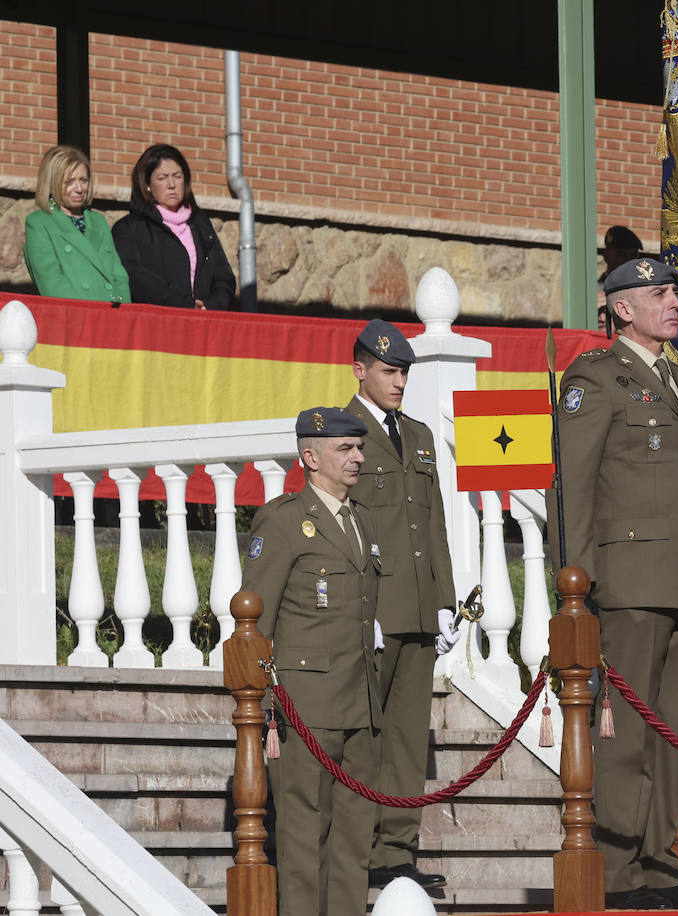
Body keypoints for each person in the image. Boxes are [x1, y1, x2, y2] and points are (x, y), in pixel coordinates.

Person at [548, 256, 678, 910]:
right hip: (627, 582)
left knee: (671, 738)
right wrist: (573, 595)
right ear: (621, 307)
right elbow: (572, 490)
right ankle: (617, 872)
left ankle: (657, 864)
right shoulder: (594, 379)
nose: (673, 302)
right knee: (625, 738)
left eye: (673, 292)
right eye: (658, 293)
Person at [243, 407, 383, 916]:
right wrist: (264, 707)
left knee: (353, 838)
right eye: (345, 449)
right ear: (311, 456)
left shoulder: (362, 519)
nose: (358, 457)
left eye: (359, 448)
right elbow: (254, 622)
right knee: (303, 837)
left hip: (360, 704)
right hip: (305, 705)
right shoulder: (283, 522)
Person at [343, 319, 456, 890]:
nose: (399, 381)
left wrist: (445, 601)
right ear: (359, 369)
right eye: (389, 371)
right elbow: (342, 527)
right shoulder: (342, 435)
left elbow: (432, 523)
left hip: (415, 610)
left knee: (409, 738)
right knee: (366, 735)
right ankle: (357, 850)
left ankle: (396, 853)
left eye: (404, 372)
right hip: (374, 612)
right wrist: (358, 611)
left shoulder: (418, 435)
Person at [112, 143, 236, 309]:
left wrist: (211, 305)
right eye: (162, 178)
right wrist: (183, 304)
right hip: (156, 323)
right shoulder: (129, 229)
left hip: (203, 321)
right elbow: (134, 276)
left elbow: (224, 276)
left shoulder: (200, 224)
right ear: (147, 185)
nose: (171, 184)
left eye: (177, 176)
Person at [22, 145, 131, 302]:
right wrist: (86, 313)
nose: (79, 189)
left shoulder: (98, 221)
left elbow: (119, 276)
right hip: (74, 317)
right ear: (52, 184)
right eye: (70, 182)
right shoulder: (39, 222)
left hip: (111, 318)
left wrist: (119, 310)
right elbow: (51, 281)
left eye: (83, 180)